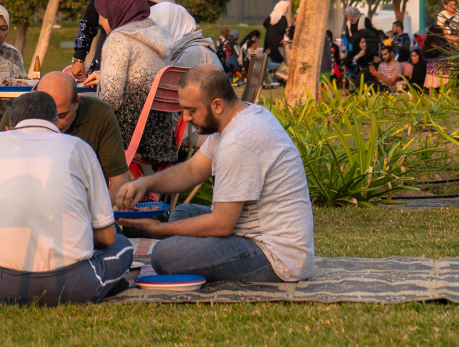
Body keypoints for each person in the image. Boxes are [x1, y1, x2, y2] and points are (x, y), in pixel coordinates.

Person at [115, 65, 315, 284]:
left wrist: (162, 230)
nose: (186, 117)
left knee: (164, 255)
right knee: (184, 212)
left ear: (217, 105)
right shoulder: (239, 117)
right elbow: (193, 170)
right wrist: (145, 183)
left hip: (275, 256)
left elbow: (221, 224)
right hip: (249, 232)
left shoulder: (238, 141)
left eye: (191, 110)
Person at [0, 91, 134, 305]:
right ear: (56, 121)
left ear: (11, 125)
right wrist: (73, 234)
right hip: (75, 284)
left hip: (4, 286)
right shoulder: (80, 148)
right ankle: (105, 283)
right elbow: (108, 238)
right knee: (122, 244)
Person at [98, 0, 218, 170]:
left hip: (135, 139)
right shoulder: (165, 45)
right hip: (162, 140)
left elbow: (110, 100)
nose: (99, 21)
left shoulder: (120, 39)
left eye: (101, 14)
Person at [34, 71, 132, 194]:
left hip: (87, 206)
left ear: (77, 102)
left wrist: (98, 211)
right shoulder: (17, 117)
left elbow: (120, 180)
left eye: (62, 115)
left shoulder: (100, 115)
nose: (55, 124)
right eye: (47, 115)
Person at [261, 0, 291, 66]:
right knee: (277, 63)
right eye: (287, 7)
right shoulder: (282, 18)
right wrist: (287, 30)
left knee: (268, 60)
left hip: (268, 42)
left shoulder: (271, 16)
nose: (288, 9)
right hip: (277, 43)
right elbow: (281, 30)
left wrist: (270, 29)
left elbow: (264, 24)